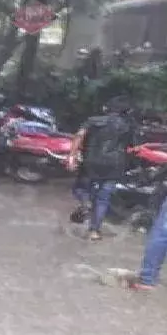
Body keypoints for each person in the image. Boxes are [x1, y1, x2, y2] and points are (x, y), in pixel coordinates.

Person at [66, 96, 136, 241]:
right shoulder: (128, 126)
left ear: (106, 108)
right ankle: (94, 232)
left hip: (91, 163)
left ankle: (86, 203)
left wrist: (72, 156)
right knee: (103, 199)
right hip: (114, 165)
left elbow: (79, 136)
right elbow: (132, 147)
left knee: (79, 189)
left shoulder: (92, 121)